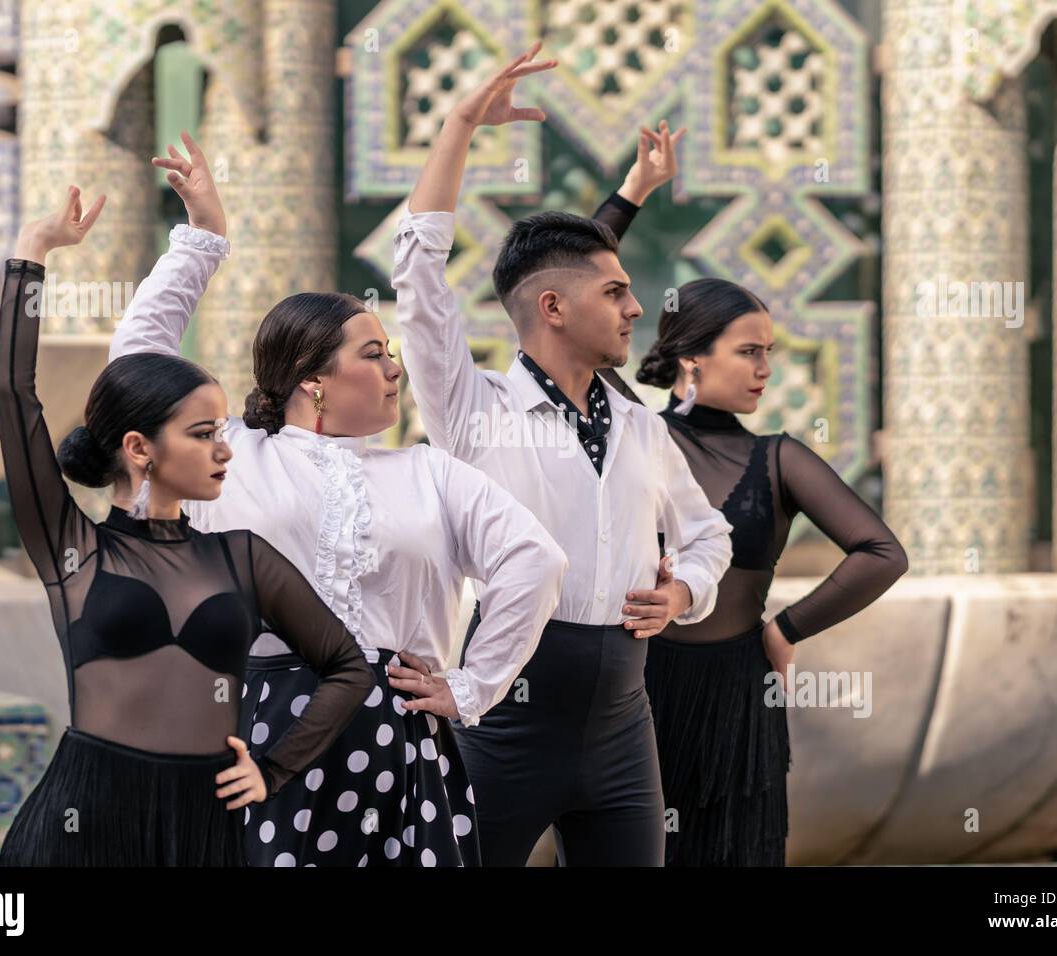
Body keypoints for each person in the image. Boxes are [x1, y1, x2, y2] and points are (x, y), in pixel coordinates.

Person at [109, 134, 568, 867]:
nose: (395, 371)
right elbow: (135, 368)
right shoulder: (228, 455)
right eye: (374, 354)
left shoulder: (428, 472)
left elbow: (536, 562)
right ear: (313, 379)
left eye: (392, 354)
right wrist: (201, 241)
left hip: (396, 742)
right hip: (251, 735)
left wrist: (471, 687)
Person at [394, 44, 732, 867]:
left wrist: (686, 589)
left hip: (625, 733)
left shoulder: (643, 426)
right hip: (505, 719)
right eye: (615, 294)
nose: (636, 307)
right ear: (552, 307)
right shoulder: (475, 409)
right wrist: (461, 123)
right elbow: (418, 275)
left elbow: (708, 535)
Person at [0, 187, 375, 866]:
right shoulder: (74, 548)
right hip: (84, 818)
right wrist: (32, 251)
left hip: (206, 823)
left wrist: (274, 768)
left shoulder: (242, 559)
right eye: (203, 433)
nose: (225, 447)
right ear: (139, 448)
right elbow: (13, 400)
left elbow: (348, 667)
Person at [631, 273, 909, 866]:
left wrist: (785, 629)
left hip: (738, 697)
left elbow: (882, 553)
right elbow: (569, 275)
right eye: (748, 351)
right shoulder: (633, 437)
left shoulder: (779, 459)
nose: (766, 369)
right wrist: (633, 194)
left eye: (768, 353)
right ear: (691, 359)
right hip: (634, 689)